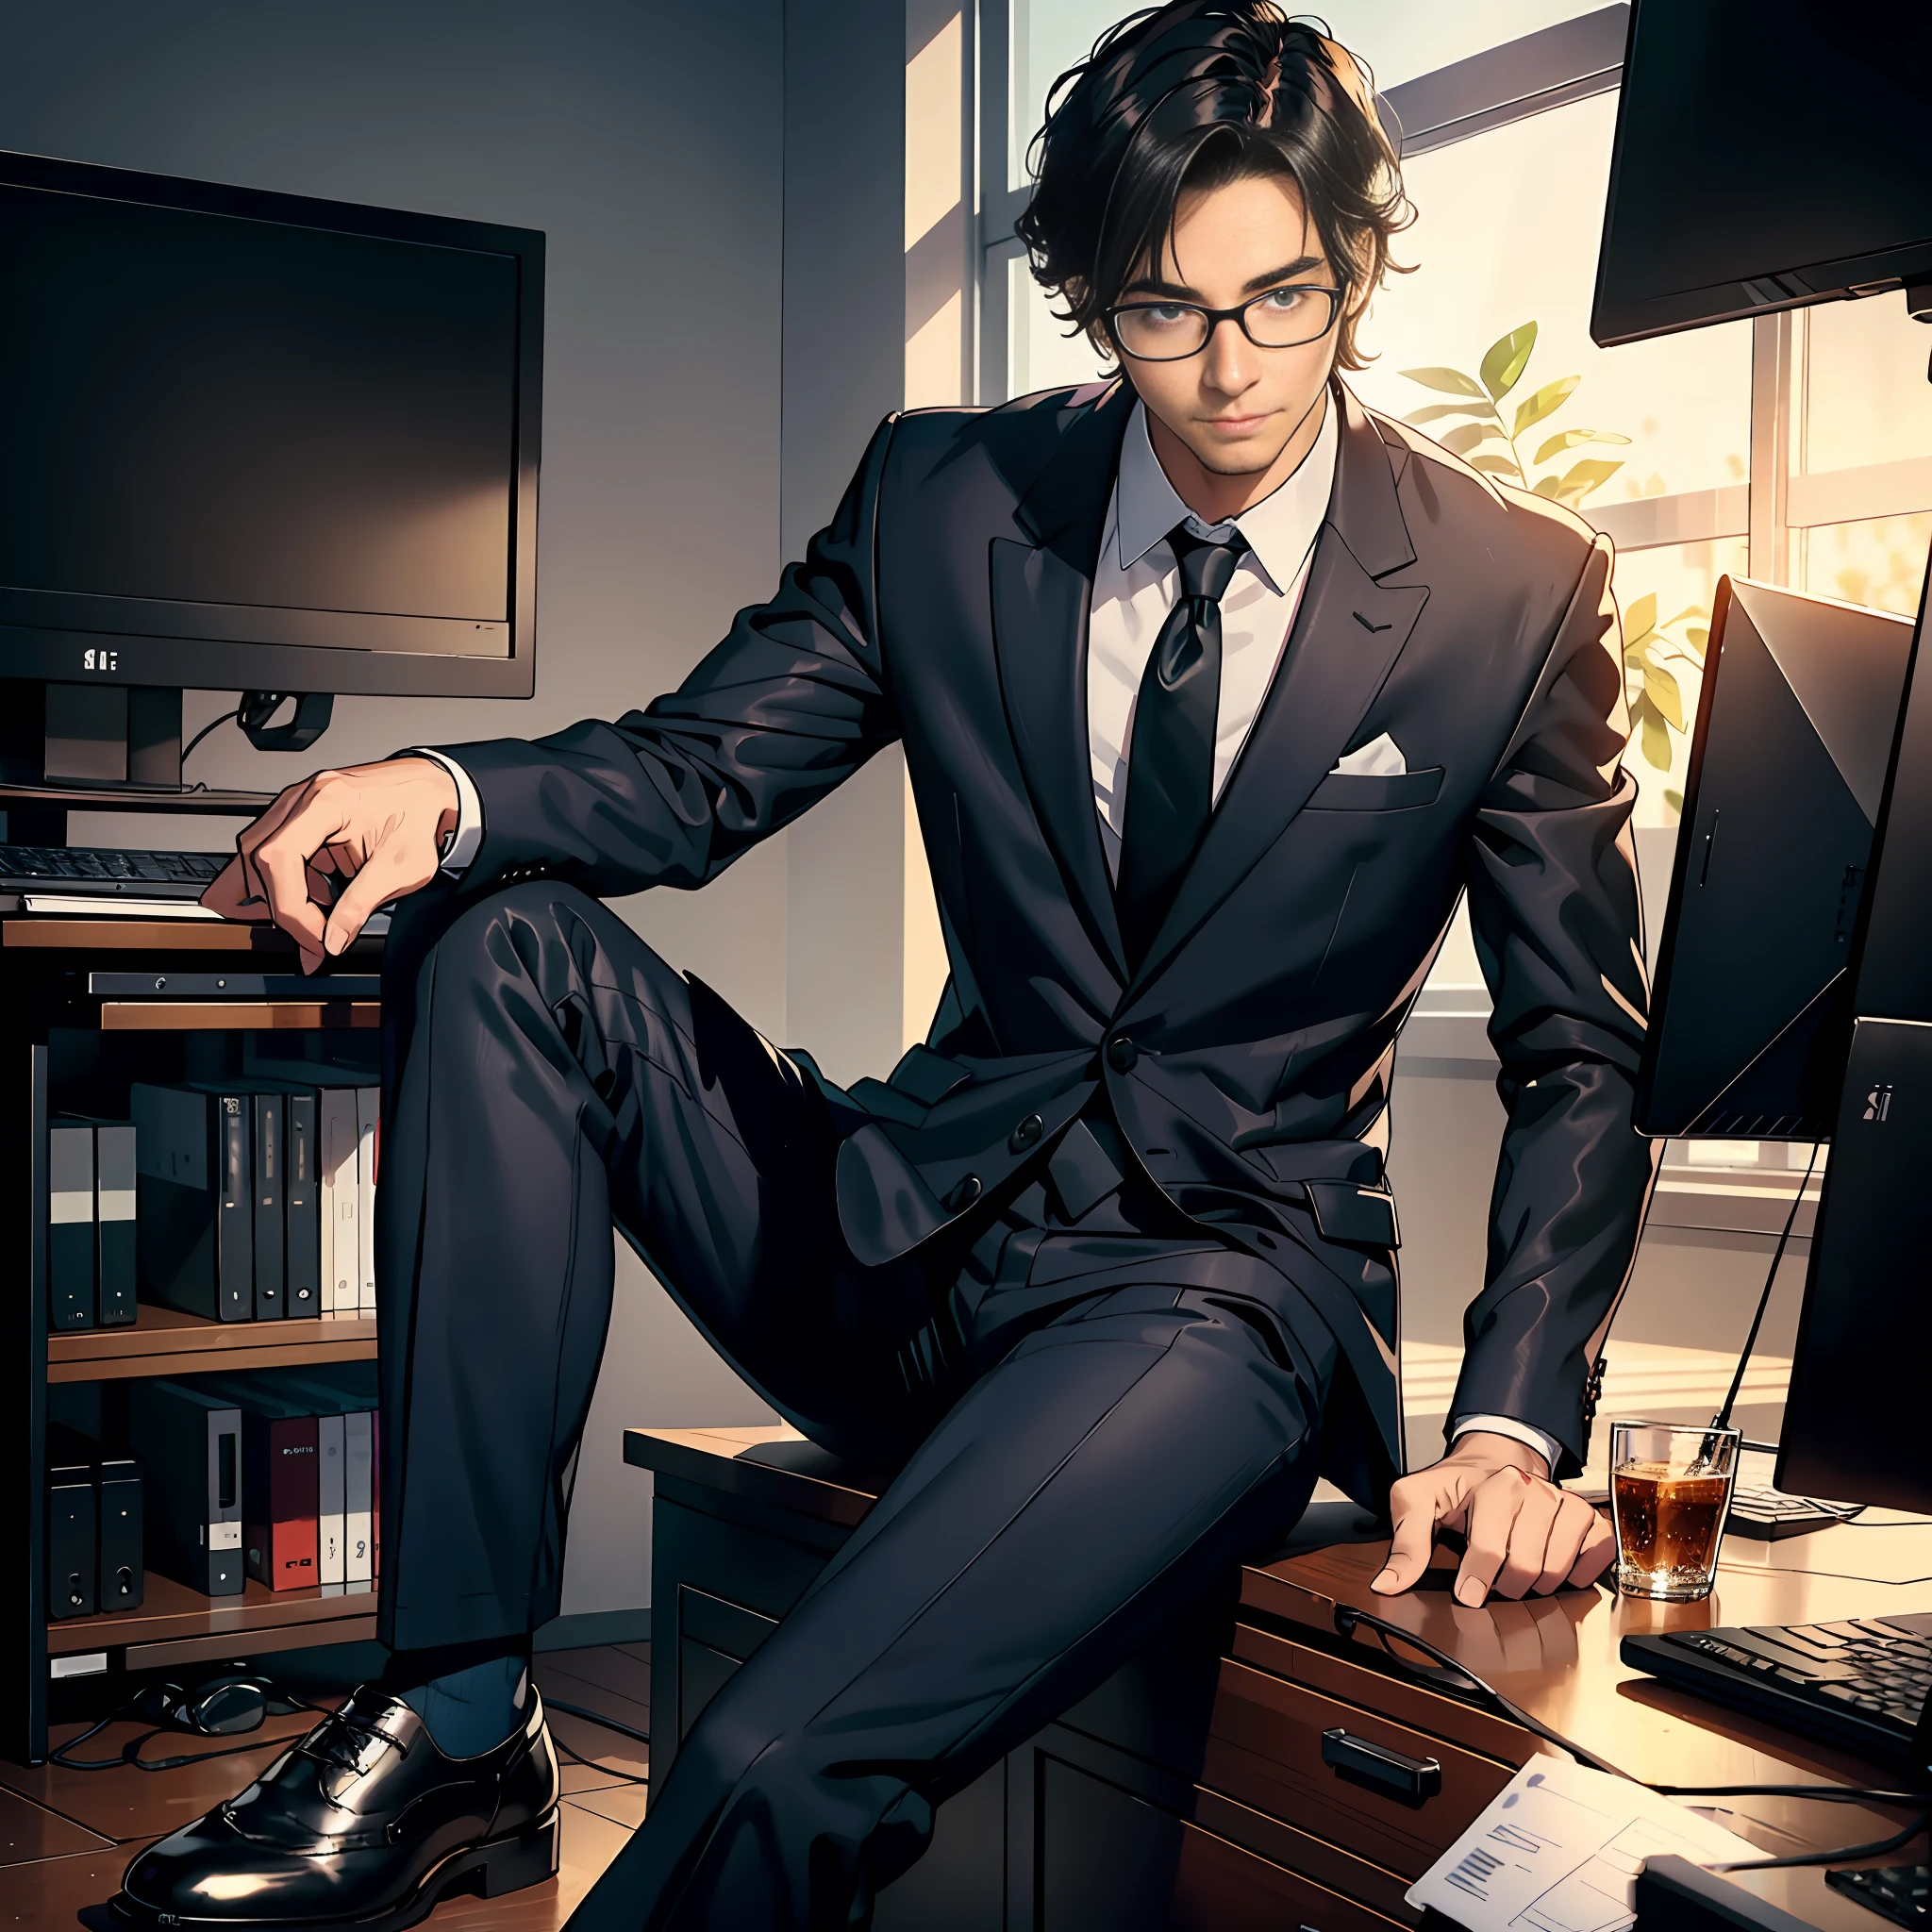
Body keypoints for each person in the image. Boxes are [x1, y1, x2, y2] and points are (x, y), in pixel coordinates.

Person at [117, 5, 1657, 1928]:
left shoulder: (1513, 587)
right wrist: (441, 787)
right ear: (1097, 298)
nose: (1235, 366)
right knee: (500, 937)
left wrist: (1514, 1421)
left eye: (1284, 298)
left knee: (770, 1760)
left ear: (1352, 263)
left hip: (1206, 1303)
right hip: (907, 1239)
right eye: (1166, 311)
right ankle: (454, 1714)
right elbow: (694, 775)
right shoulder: (949, 497)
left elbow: (1578, 1052)